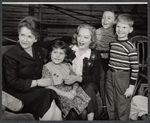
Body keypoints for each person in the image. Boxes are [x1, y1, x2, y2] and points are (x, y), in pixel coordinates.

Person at [3, 16, 62, 121]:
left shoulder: (38, 50)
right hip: (17, 95)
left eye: (30, 37)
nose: (25, 40)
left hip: (35, 92)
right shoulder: (10, 55)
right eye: (22, 35)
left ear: (36, 39)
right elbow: (12, 82)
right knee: (49, 94)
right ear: (18, 34)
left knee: (55, 108)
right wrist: (38, 82)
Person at [42, 40, 91, 119]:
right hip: (59, 94)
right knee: (72, 115)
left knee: (83, 112)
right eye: (55, 52)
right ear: (50, 53)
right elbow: (47, 86)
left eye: (61, 53)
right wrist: (65, 94)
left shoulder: (67, 65)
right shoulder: (47, 67)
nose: (58, 56)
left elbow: (75, 81)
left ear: (65, 55)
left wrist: (74, 90)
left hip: (72, 93)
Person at [64, 24, 102, 120]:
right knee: (79, 114)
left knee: (90, 86)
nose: (81, 40)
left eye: (85, 37)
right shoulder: (69, 50)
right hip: (70, 87)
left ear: (91, 40)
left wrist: (77, 78)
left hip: (86, 87)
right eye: (79, 36)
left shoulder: (95, 55)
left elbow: (96, 78)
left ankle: (91, 118)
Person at [105, 14, 139, 120]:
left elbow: (135, 68)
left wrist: (131, 87)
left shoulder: (130, 47)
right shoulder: (113, 43)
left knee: (122, 103)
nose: (120, 30)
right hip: (110, 74)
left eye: (124, 27)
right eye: (118, 26)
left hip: (122, 76)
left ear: (130, 30)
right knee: (110, 102)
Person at [95, 9, 117, 106]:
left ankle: (111, 103)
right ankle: (103, 104)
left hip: (111, 59)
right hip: (99, 58)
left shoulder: (116, 34)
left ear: (115, 21)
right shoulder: (97, 32)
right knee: (102, 78)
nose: (105, 20)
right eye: (103, 17)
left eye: (109, 18)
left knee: (111, 80)